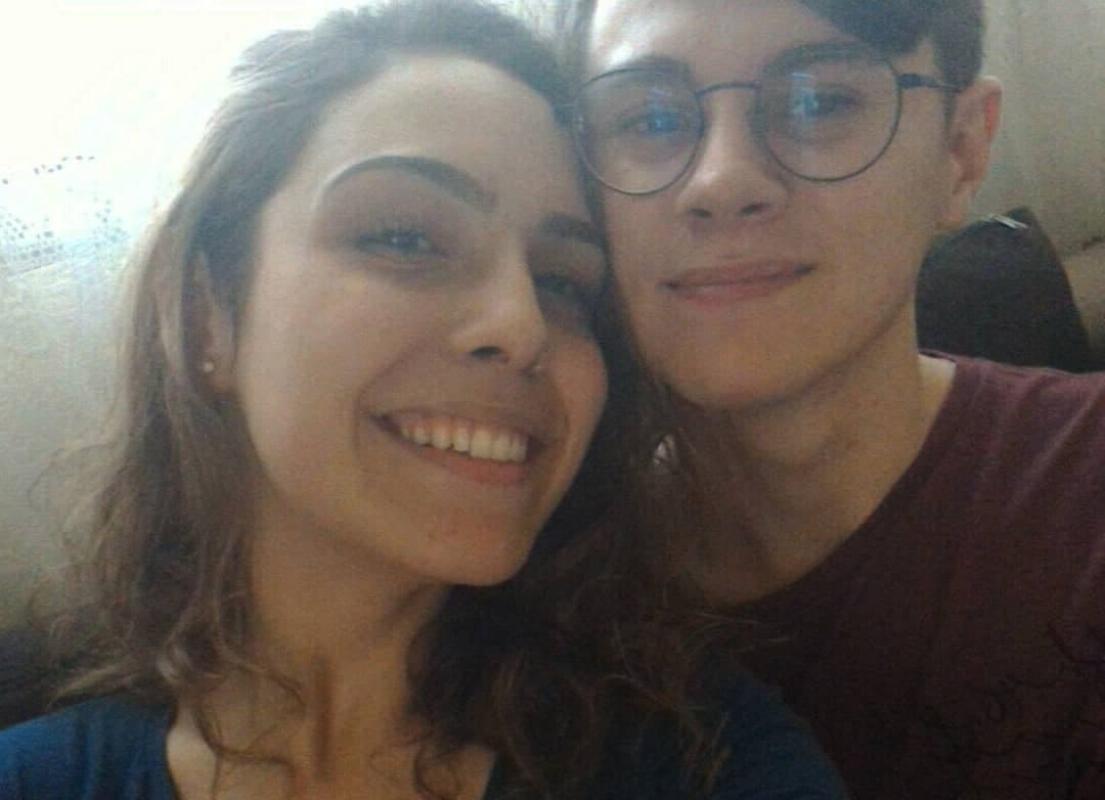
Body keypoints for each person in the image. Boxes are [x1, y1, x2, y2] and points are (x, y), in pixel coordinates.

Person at [0, 2, 849, 798]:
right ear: (204, 317)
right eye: (405, 238)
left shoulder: (707, 758)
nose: (521, 325)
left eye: (562, 282)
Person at [556, 0, 1105, 797]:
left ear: (959, 151)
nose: (721, 181)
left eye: (819, 102)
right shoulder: (526, 582)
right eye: (648, 119)